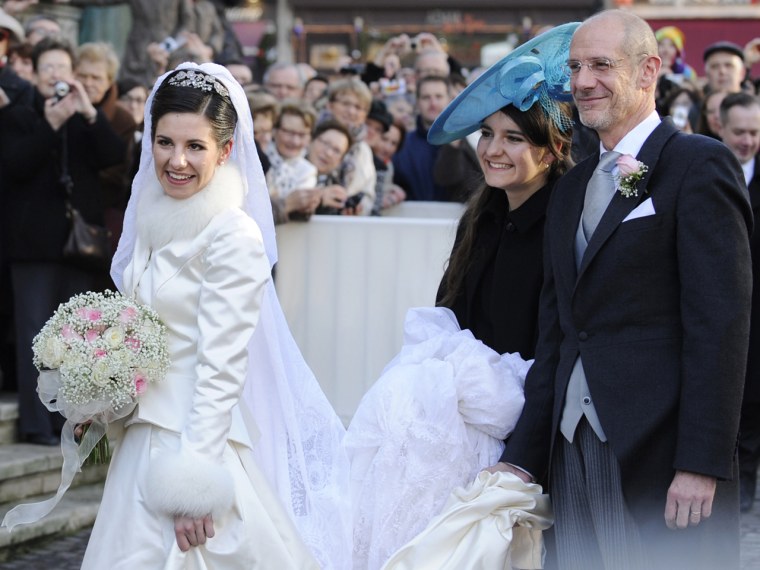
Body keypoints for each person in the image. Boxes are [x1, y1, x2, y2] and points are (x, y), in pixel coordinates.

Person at [490, 10, 752, 570]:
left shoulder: (699, 165)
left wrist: (701, 462)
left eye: (602, 65)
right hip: (570, 450)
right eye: (577, 66)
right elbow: (558, 332)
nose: (583, 81)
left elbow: (721, 324)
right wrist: (523, 459)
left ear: (648, 70)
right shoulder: (570, 188)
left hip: (659, 453)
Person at [83, 63, 351, 569]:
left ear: (226, 151)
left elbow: (222, 365)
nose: (176, 161)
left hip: (192, 445)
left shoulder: (231, 235)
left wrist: (194, 484)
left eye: (195, 146)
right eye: (164, 143)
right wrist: (100, 387)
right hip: (142, 439)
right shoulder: (151, 219)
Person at [346, 22, 577, 570]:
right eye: (488, 134)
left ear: (552, 148)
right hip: (461, 422)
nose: (494, 150)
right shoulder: (482, 214)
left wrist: (521, 455)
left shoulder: (564, 224)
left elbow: (558, 344)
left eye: (514, 138)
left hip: (523, 429)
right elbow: (449, 315)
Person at [717, 92, 760, 514]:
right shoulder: (703, 172)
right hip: (722, 310)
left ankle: (747, 483)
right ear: (721, 128)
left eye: (755, 132)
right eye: (740, 132)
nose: (748, 141)